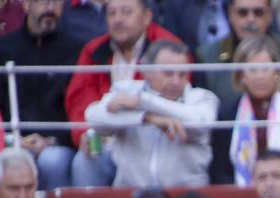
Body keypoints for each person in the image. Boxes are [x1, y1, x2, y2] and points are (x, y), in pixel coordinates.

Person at [65, 0, 182, 186]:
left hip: (150, 142)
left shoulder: (168, 50)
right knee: (84, 159)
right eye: (112, 13)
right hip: (106, 142)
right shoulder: (93, 50)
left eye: (126, 12)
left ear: (147, 17)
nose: (118, 20)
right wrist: (84, 134)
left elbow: (176, 99)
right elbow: (80, 99)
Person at [84, 39, 218, 187]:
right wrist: (146, 117)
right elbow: (93, 116)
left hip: (187, 194)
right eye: (168, 73)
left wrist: (144, 101)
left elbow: (201, 123)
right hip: (132, 194)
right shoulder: (126, 90)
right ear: (146, 70)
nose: (176, 81)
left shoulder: (202, 97)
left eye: (182, 74)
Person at [0, 0, 86, 189]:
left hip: (58, 144)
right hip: (11, 141)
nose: (50, 8)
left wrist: (52, 140)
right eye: (43, 2)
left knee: (53, 161)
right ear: (26, 5)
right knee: (14, 162)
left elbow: (78, 106)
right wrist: (14, 139)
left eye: (56, 3)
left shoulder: (77, 50)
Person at [210, 34, 280, 184]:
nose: (260, 77)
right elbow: (220, 172)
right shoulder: (228, 113)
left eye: (265, 69)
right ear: (241, 75)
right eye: (253, 70)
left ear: (276, 72)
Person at [195, 0, 280, 109]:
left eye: (258, 12)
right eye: (242, 12)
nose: (250, 19)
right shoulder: (208, 56)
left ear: (270, 14)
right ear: (230, 14)